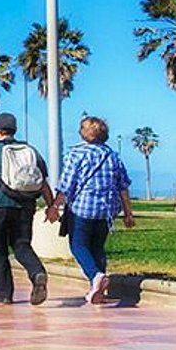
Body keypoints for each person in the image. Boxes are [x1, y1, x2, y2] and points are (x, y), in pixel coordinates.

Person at [0, 112, 56, 305]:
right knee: (22, 245)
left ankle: (4, 294)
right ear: (15, 129)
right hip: (26, 205)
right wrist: (51, 206)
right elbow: (43, 183)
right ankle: (37, 272)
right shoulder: (31, 151)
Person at [52, 116, 136, 304]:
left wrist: (55, 206)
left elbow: (66, 185)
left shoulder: (76, 154)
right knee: (97, 247)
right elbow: (123, 186)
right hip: (106, 211)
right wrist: (128, 213)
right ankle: (98, 289)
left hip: (82, 208)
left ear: (84, 133)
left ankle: (95, 276)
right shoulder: (112, 155)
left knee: (78, 246)